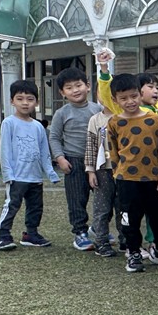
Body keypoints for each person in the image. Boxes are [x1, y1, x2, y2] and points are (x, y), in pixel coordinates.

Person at [106, 73, 158, 273]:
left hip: (153, 178)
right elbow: (113, 152)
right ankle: (133, 252)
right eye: (124, 98)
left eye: (134, 96)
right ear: (115, 100)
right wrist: (117, 174)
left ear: (140, 94)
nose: (130, 101)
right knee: (129, 218)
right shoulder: (114, 123)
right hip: (126, 180)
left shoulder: (153, 119)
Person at [0, 80, 59, 250]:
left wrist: (50, 172)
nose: (25, 103)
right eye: (20, 98)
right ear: (12, 101)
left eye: (30, 99)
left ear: (36, 102)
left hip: (35, 177)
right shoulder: (9, 123)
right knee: (12, 205)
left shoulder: (38, 126)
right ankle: (3, 235)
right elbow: (5, 150)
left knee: (36, 207)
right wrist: (8, 174)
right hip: (17, 177)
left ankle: (31, 234)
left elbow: (44, 151)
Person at [49, 66, 101, 251]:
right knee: (76, 200)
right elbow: (54, 137)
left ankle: (98, 228)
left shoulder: (97, 109)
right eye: (69, 88)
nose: (75, 90)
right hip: (74, 161)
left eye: (78, 85)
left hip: (98, 162)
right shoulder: (62, 113)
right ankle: (80, 233)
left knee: (105, 198)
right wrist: (60, 158)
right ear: (62, 93)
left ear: (88, 86)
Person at [85, 98, 125, 257]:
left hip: (123, 170)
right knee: (102, 208)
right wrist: (90, 171)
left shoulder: (124, 116)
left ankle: (126, 240)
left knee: (124, 208)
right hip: (102, 170)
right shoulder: (95, 120)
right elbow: (91, 147)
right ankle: (101, 241)